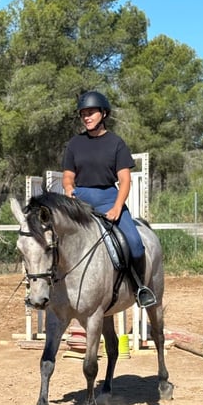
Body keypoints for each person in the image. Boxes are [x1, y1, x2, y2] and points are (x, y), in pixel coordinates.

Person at [61, 91, 157, 308]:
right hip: (81, 200)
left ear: (103, 113)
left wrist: (116, 208)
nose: (86, 117)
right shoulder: (75, 144)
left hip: (108, 198)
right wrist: (68, 188)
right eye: (83, 114)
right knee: (55, 237)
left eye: (91, 113)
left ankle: (140, 287)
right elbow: (68, 175)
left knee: (135, 244)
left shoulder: (116, 143)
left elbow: (125, 180)